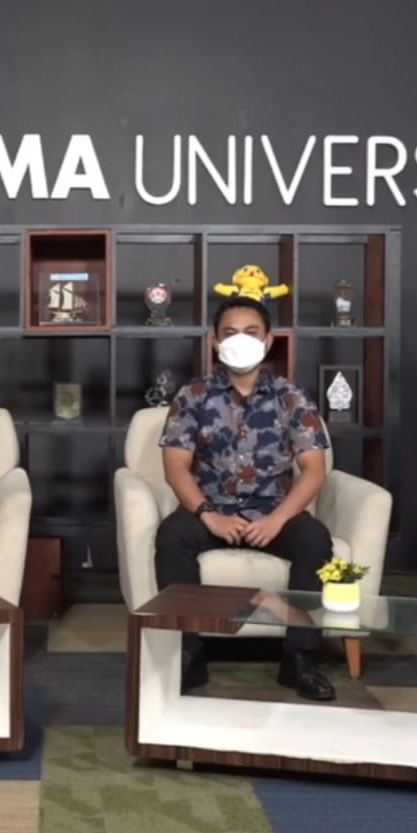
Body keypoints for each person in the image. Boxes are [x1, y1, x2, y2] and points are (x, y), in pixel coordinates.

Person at [155, 296, 337, 701]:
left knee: (314, 539)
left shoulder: (291, 396)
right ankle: (187, 655)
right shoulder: (193, 395)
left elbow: (314, 469)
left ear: (268, 341)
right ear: (215, 341)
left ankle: (300, 660)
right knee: (172, 536)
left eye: (251, 333)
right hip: (211, 510)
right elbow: (175, 467)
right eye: (231, 333)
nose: (241, 340)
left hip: (273, 512)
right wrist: (208, 514)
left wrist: (277, 520)